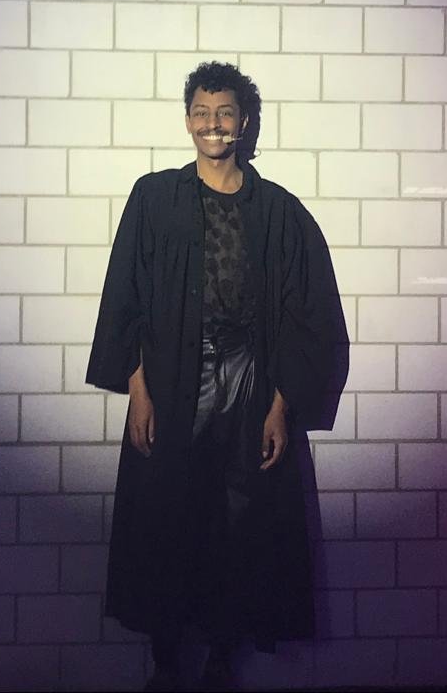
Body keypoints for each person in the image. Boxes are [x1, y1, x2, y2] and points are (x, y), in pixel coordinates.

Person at [86, 61, 350, 691]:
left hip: (251, 379)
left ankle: (223, 657)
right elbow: (126, 298)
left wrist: (280, 404)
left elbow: (305, 315)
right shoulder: (155, 198)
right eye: (202, 113)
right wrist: (139, 392)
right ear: (187, 121)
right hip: (173, 377)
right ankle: (166, 657)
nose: (213, 124)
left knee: (241, 523)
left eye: (225, 113)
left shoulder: (279, 212)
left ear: (244, 122)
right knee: (167, 519)